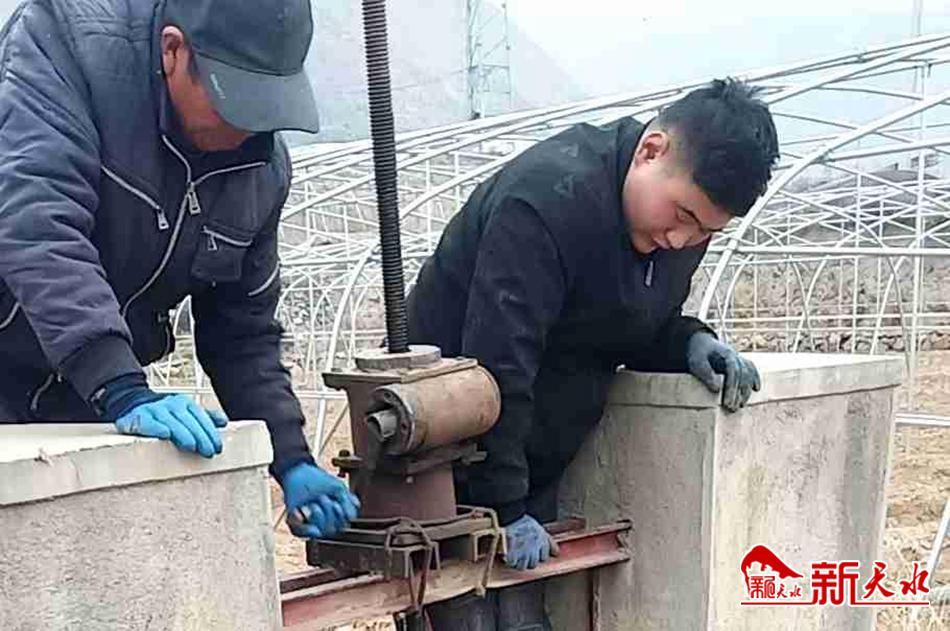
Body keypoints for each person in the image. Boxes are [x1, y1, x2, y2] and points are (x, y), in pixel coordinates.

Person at [409, 78, 779, 629]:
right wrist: (505, 507)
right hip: (450, 455)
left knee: (526, 619)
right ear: (651, 150)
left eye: (706, 231)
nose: (682, 240)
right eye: (682, 216)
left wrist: (687, 342)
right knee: (466, 615)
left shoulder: (666, 231)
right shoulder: (546, 202)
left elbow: (629, 322)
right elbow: (498, 362)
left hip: (531, 460)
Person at [0, 0, 358, 539]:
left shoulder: (259, 172)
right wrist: (119, 385)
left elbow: (241, 330)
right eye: (232, 99)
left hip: (72, 396)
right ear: (173, 50)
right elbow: (37, 224)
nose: (245, 128)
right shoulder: (65, 46)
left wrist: (291, 458)